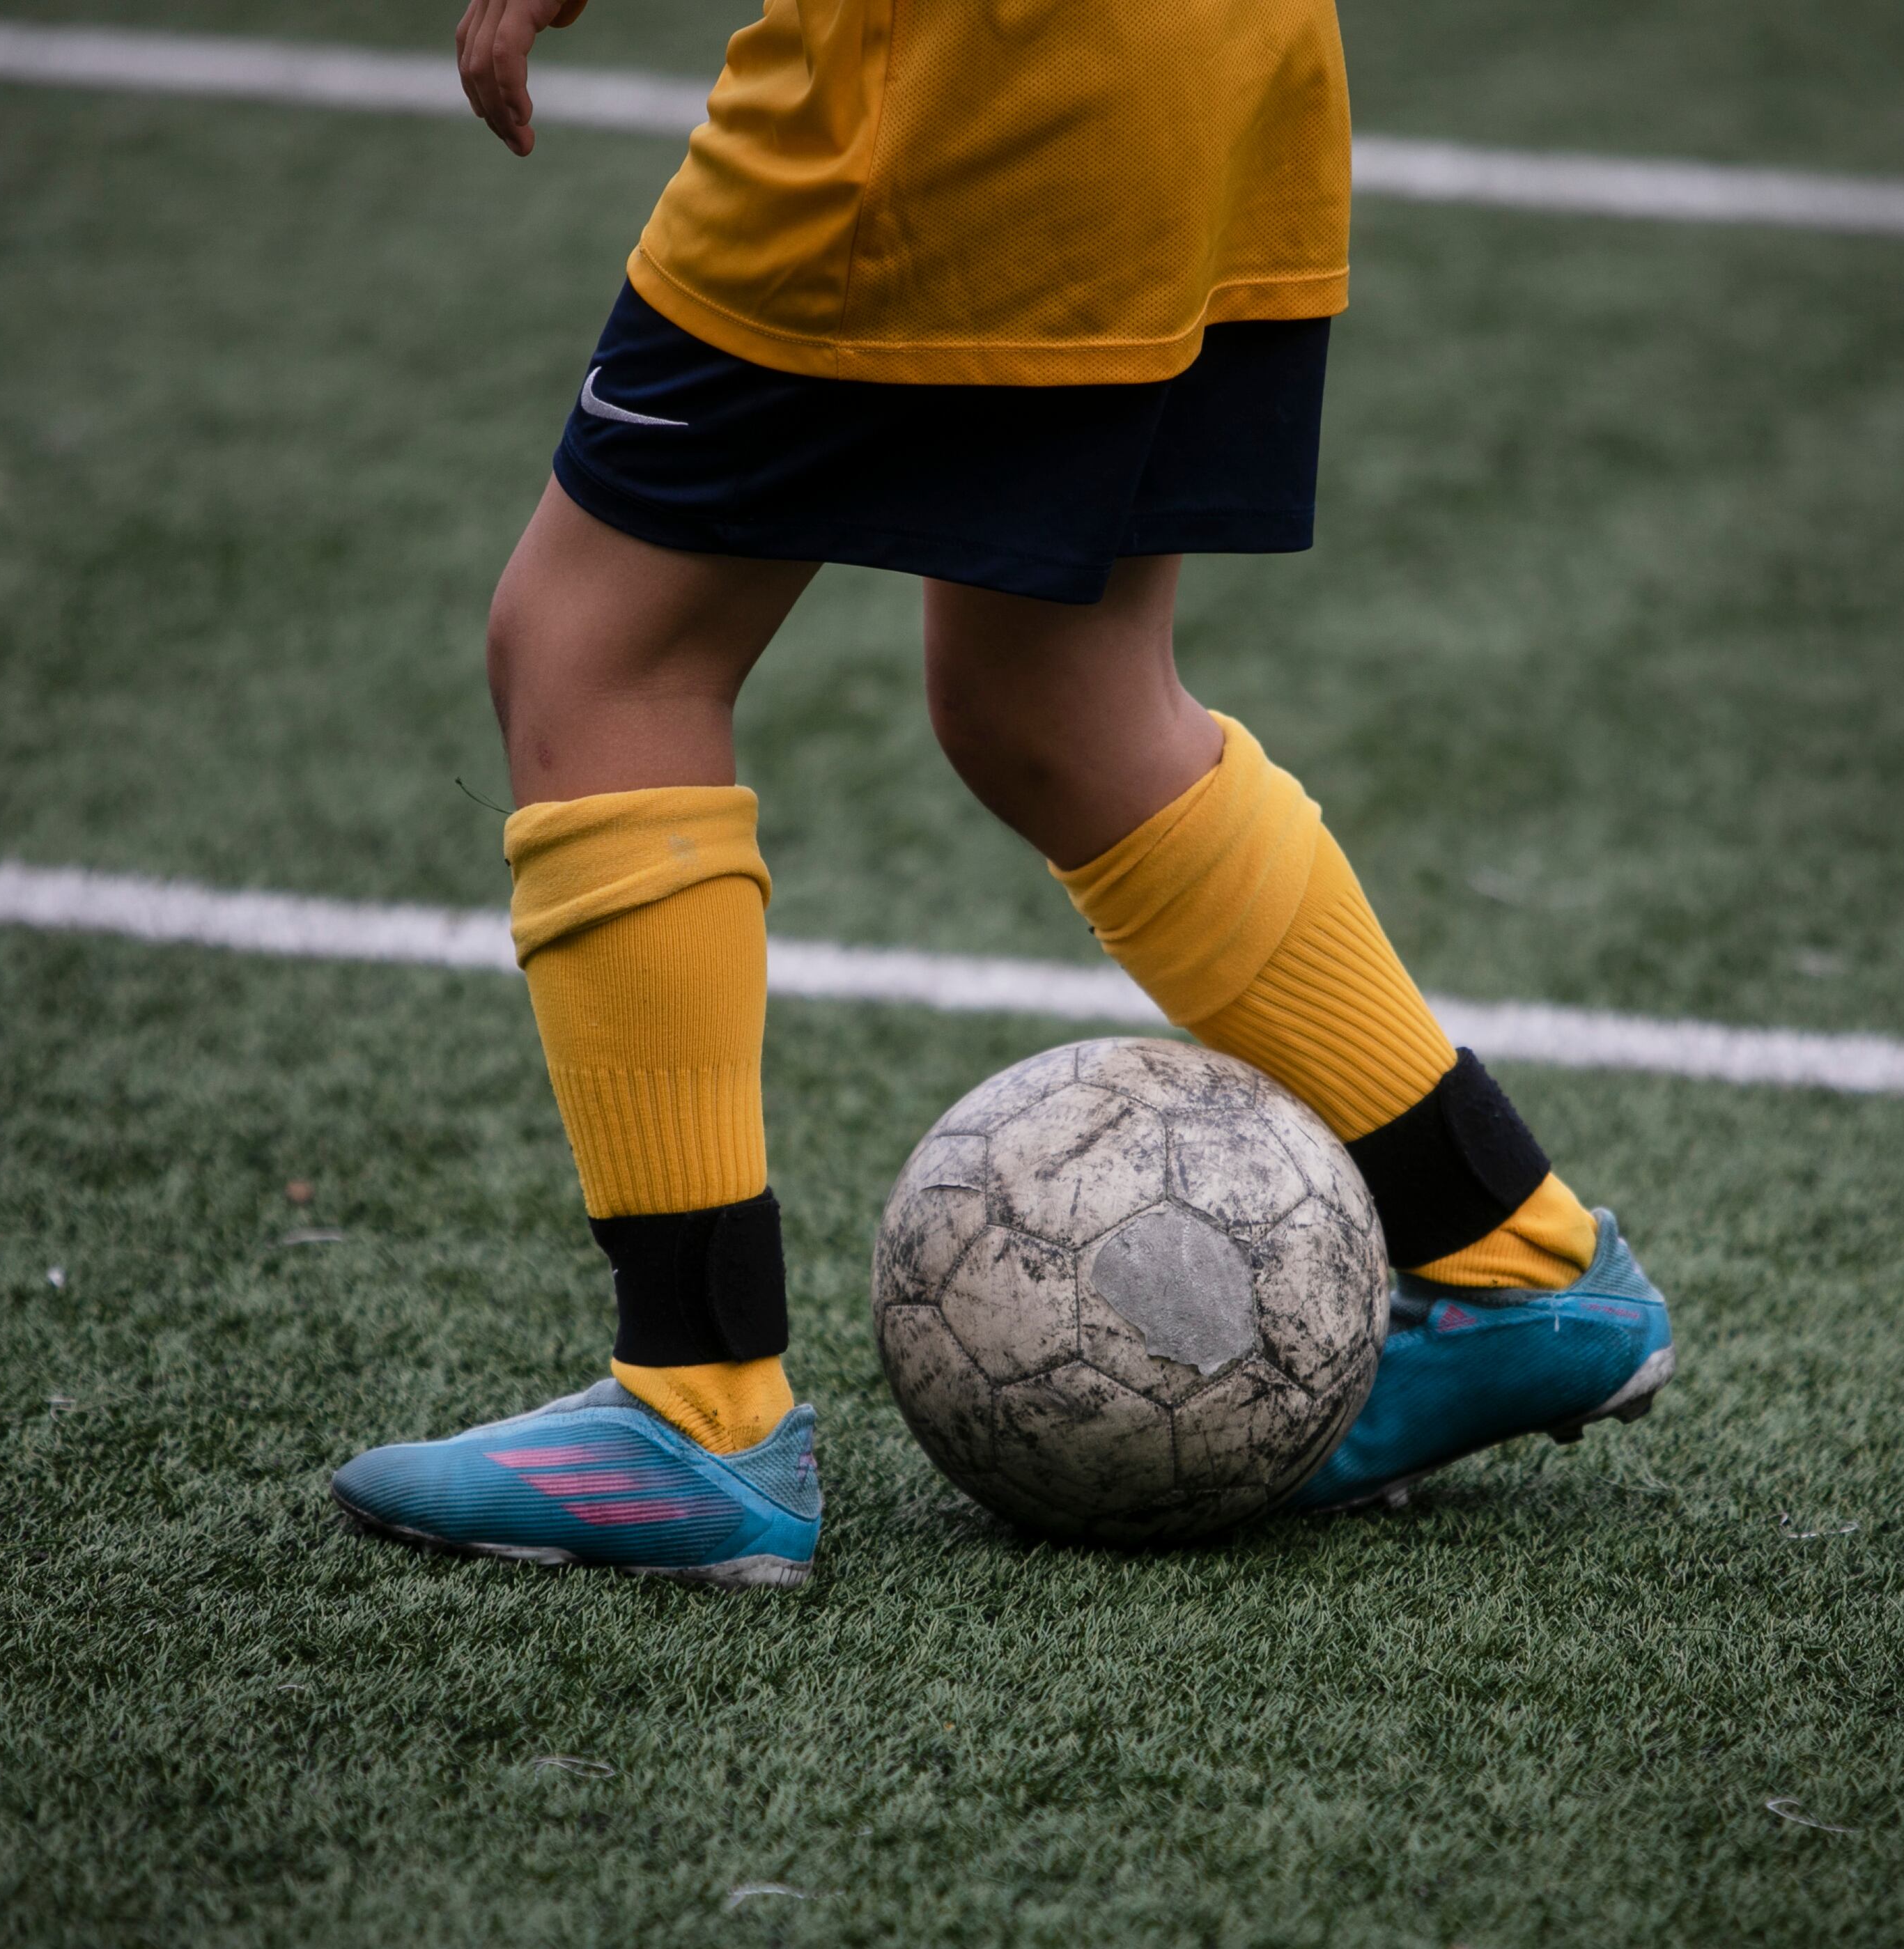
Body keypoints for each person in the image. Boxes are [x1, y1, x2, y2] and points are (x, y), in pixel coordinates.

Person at [328, 0, 1674, 1585]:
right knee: (1059, 704)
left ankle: (693, 1405)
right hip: (1220, 68)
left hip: (968, 73)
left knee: (593, 650)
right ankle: (1517, 1260)